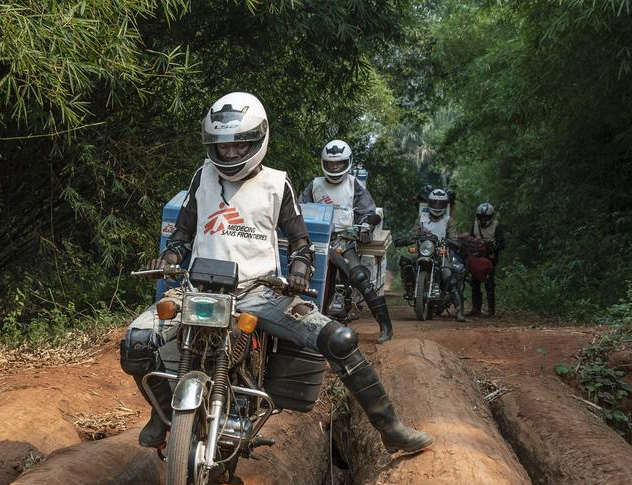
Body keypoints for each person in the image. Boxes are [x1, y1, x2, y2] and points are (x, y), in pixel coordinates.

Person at [120, 92, 432, 454]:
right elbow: (184, 234)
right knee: (136, 342)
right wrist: (171, 255)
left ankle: (391, 429)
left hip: (260, 290)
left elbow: (301, 242)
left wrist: (300, 269)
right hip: (197, 288)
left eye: (240, 145)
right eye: (222, 147)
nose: (231, 153)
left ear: (258, 140)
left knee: (341, 340)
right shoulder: (202, 177)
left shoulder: (276, 184)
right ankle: (162, 414)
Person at [300, 140, 393, 343]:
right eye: (331, 164)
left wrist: (366, 222)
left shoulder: (353, 184)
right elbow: (300, 209)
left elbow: (369, 211)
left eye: (339, 164)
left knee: (360, 277)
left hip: (344, 242)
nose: (334, 168)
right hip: (317, 243)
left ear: (347, 163)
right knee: (301, 276)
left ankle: (385, 326)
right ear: (324, 163)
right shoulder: (315, 185)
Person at [399, 187, 466, 322]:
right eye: (434, 203)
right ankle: (411, 289)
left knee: (449, 276)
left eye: (440, 204)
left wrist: (452, 242)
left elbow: (454, 237)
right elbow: (414, 232)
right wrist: (408, 239)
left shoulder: (448, 220)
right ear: (429, 203)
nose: (436, 207)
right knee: (405, 262)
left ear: (445, 205)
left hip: (441, 254)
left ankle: (459, 310)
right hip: (424, 251)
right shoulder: (422, 217)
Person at [466, 202, 505, 317]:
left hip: (490, 258)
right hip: (477, 257)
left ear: (490, 217)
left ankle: (491, 311)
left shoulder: (496, 226)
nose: (483, 219)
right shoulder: (474, 226)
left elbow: (502, 243)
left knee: (489, 283)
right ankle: (476, 309)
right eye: (481, 217)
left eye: (486, 217)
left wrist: (491, 248)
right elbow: (470, 240)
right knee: (475, 282)